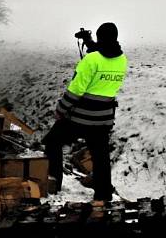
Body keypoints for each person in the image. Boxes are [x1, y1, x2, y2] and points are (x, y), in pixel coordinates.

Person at [42, 22, 128, 201]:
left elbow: (76, 90)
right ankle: (103, 196)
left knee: (52, 141)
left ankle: (54, 183)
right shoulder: (121, 59)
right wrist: (89, 42)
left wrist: (61, 109)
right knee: (101, 156)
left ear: (100, 37)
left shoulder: (90, 60)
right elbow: (104, 53)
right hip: (103, 119)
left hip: (80, 118)